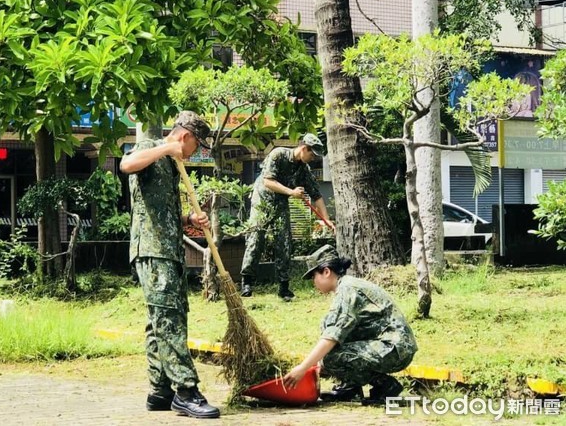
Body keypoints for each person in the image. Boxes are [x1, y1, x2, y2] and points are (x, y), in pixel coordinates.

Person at [120, 111, 220, 419]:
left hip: (169, 250)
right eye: (197, 145)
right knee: (170, 320)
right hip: (152, 251)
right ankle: (186, 391)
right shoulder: (151, 147)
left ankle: (160, 390)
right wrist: (166, 148)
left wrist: (189, 219)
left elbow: (160, 212)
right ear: (184, 136)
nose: (196, 152)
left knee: (159, 321)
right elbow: (126, 165)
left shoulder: (172, 166)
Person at [283, 245, 418, 405]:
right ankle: (351, 387)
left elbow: (331, 337)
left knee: (330, 357)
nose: (313, 282)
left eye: (314, 276)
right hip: (387, 346)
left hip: (394, 349)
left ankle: (385, 385)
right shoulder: (347, 286)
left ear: (326, 272)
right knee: (327, 325)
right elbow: (335, 329)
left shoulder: (348, 290)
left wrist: (303, 367)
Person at [240, 133, 333, 301]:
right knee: (256, 240)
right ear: (304, 148)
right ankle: (247, 282)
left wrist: (326, 220)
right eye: (312, 155)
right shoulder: (278, 154)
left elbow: (317, 195)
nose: (313, 158)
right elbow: (268, 181)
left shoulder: (304, 170)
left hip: (281, 203)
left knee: (283, 243)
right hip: (262, 202)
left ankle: (284, 287)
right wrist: (291, 192)